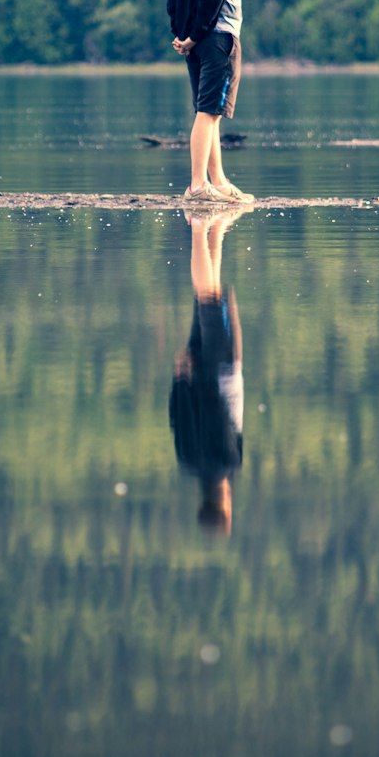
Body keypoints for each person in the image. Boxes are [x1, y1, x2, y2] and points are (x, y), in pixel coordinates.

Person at [166, 0, 253, 204]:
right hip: (218, 38)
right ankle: (198, 185)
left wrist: (182, 33)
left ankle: (217, 180)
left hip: (196, 40)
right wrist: (195, 33)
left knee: (208, 110)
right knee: (209, 111)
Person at [169, 207, 245, 535]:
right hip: (195, 374)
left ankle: (200, 227)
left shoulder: (228, 464)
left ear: (225, 505)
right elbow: (175, 418)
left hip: (218, 372)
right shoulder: (186, 463)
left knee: (210, 299)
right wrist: (181, 379)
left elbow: (221, 415)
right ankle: (214, 226)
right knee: (209, 299)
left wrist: (199, 379)